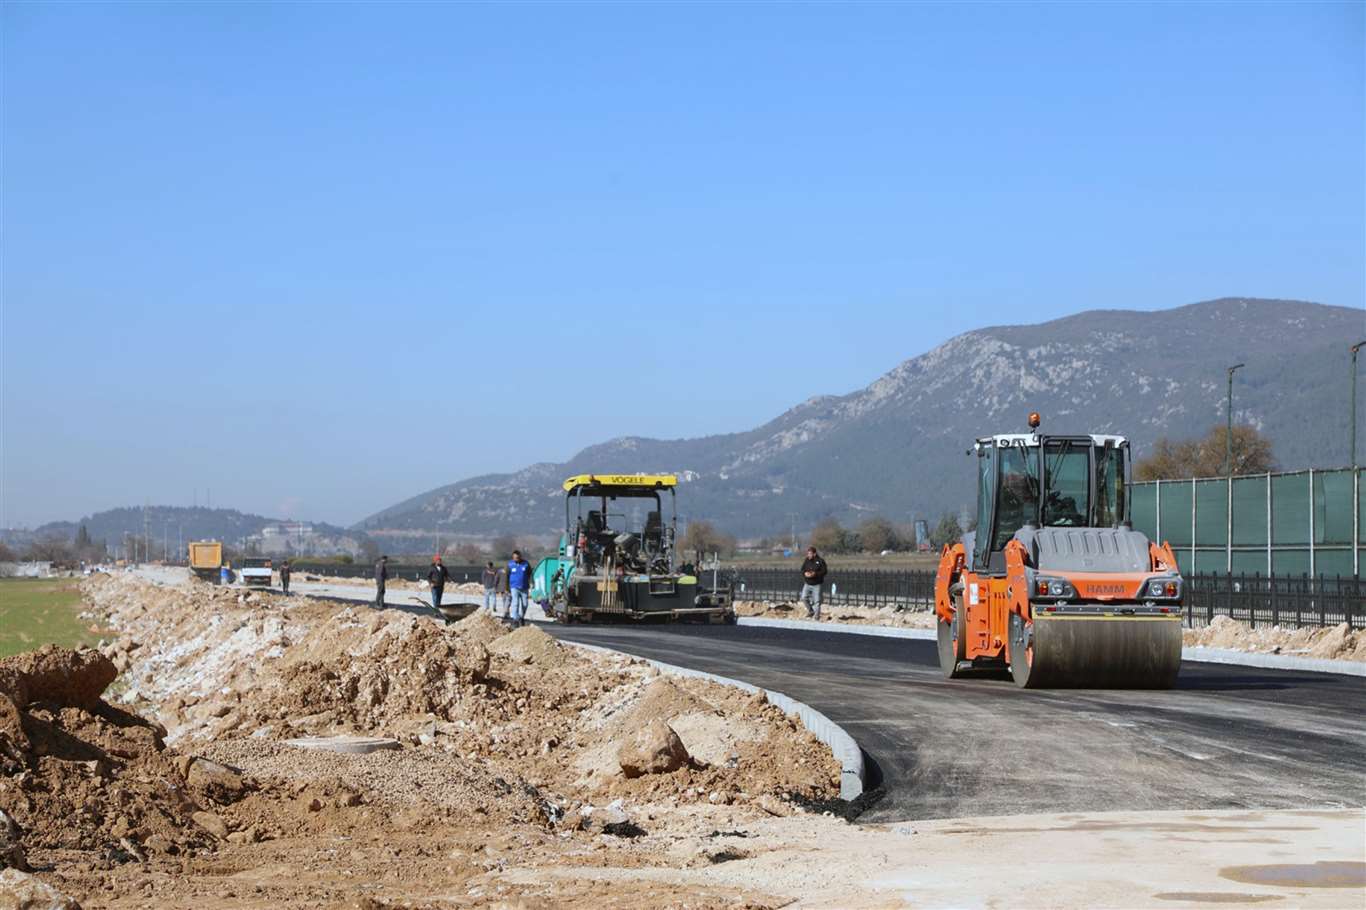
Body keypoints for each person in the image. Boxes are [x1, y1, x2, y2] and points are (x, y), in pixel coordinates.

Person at [799, 546, 828, 620]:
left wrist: (815, 574)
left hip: (817, 584)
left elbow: (824, 571)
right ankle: (811, 611)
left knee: (817, 601)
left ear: (814, 554)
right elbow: (802, 569)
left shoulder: (820, 561)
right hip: (807, 583)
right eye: (808, 553)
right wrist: (805, 573)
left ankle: (817, 617)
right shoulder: (807, 560)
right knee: (803, 598)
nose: (808, 555)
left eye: (810, 554)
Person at [507, 549, 532, 627]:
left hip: (524, 587)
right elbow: (507, 576)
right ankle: (515, 619)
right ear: (512, 557)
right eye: (514, 558)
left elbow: (530, 574)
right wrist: (507, 588)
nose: (516, 559)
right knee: (516, 603)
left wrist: (530, 582)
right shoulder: (510, 565)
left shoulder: (526, 564)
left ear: (520, 557)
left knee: (525, 604)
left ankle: (521, 617)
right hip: (514, 587)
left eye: (517, 557)